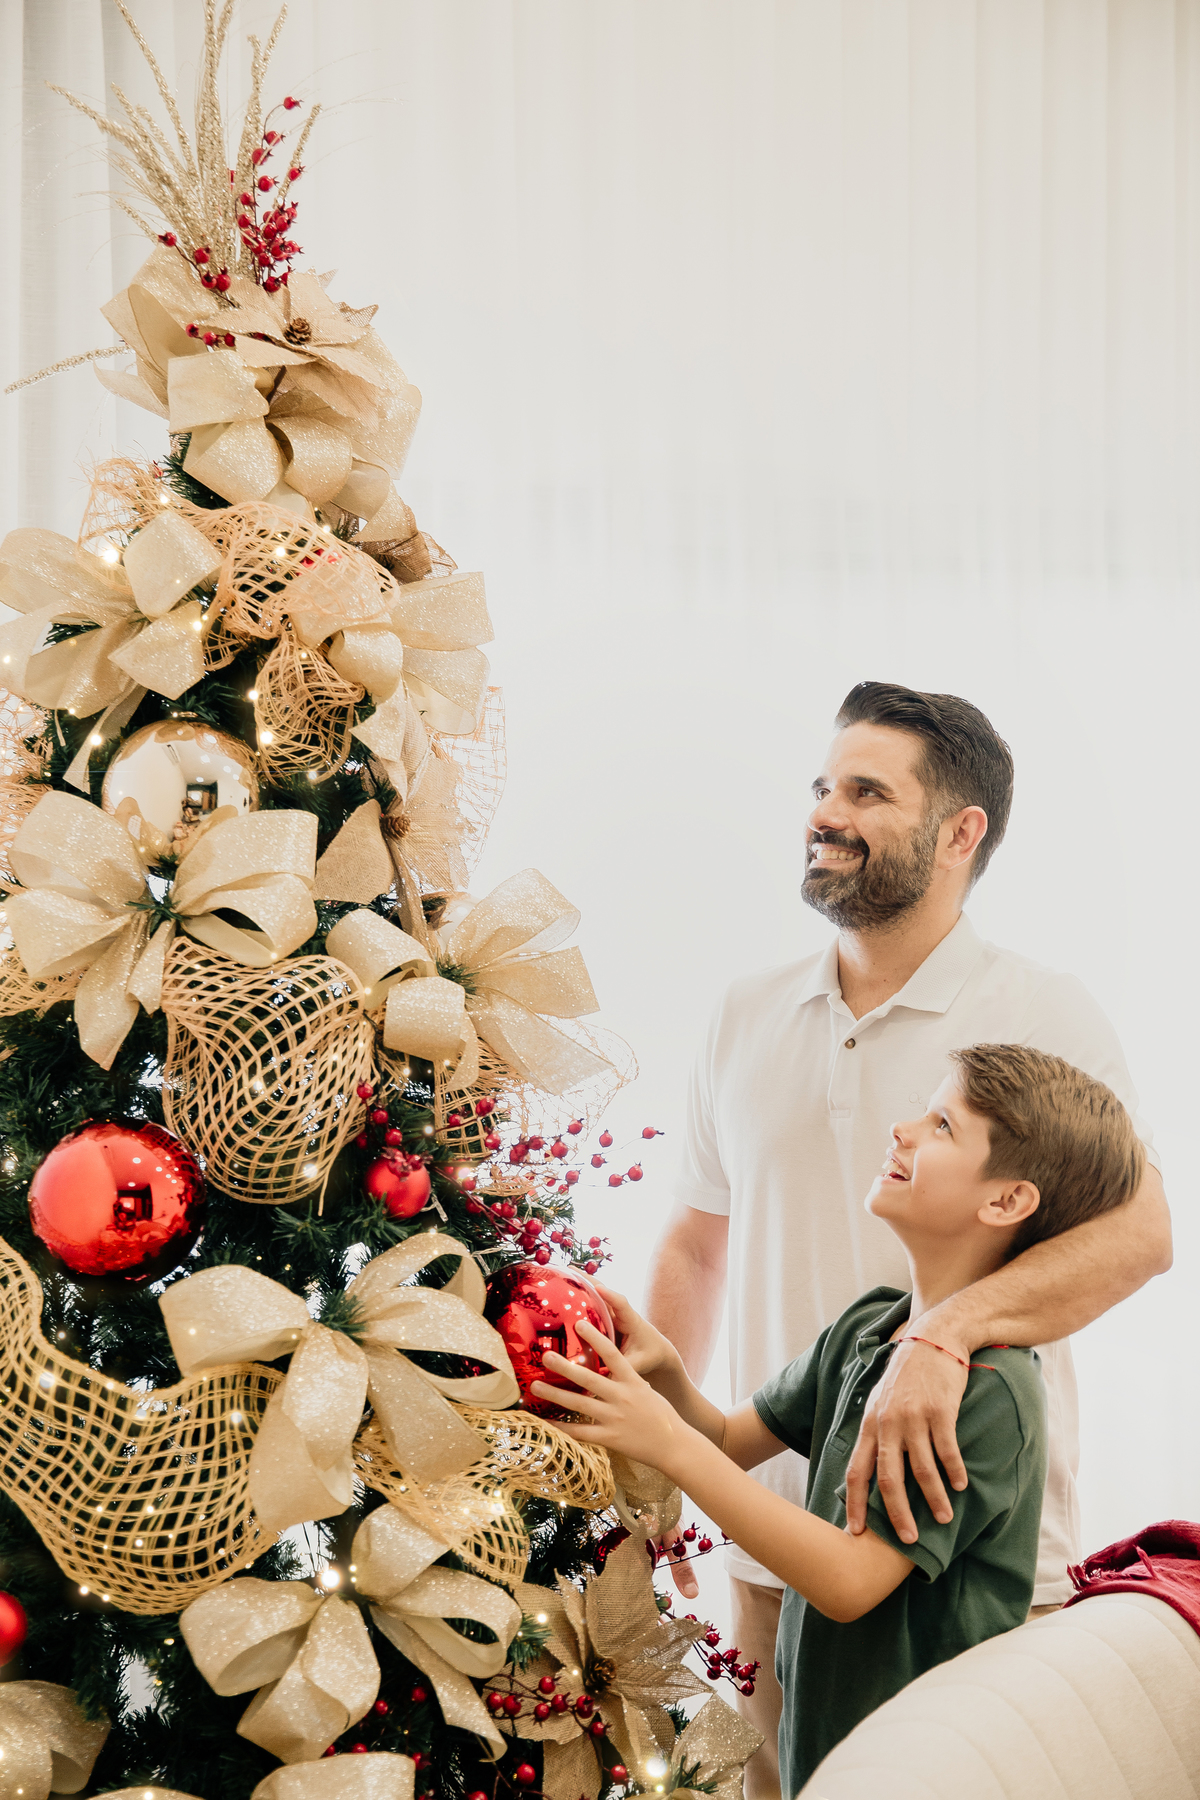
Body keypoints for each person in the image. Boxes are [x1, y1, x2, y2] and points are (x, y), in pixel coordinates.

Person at [643, 681, 1170, 1799]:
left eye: (867, 793)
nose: (824, 813)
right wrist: (655, 1455)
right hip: (774, 1555)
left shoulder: (1042, 1012)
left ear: (960, 833)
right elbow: (694, 1249)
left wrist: (943, 1338)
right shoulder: (744, 1010)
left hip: (965, 1571)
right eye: (823, 786)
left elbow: (1141, 1236)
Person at [536, 1044, 1146, 1795]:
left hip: (923, 1774)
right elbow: (725, 1440)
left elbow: (851, 1580)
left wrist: (666, 1444)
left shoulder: (992, 1392)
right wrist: (664, 1374)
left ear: (1007, 1201)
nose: (903, 1129)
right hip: (823, 1753)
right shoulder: (867, 1326)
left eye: (943, 1125)